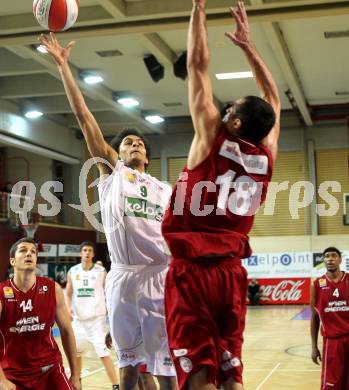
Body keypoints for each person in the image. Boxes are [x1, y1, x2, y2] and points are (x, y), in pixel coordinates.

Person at [39, 34, 177, 390]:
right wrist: (64, 67)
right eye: (127, 142)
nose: (133, 144)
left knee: (165, 370)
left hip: (161, 276)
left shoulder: (165, 190)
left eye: (139, 143)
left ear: (147, 156)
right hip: (123, 277)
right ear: (116, 154)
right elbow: (84, 118)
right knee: (129, 367)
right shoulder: (113, 174)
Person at [162, 1, 280, 389]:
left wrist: (197, 8)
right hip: (232, 273)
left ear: (235, 121)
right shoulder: (266, 155)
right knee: (231, 375)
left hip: (192, 273)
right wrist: (250, 48)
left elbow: (197, 66)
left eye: (231, 107)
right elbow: (273, 103)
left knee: (199, 375)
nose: (225, 106)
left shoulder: (211, 135)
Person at [0, 238, 80, 390]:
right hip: (13, 376)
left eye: (33, 251)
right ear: (12, 261)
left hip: (50, 370)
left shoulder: (52, 289)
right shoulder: (1, 294)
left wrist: (75, 375)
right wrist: (1, 379)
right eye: (23, 250)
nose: (29, 253)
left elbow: (67, 331)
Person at [66, 241, 119, 389]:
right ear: (80, 253)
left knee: (103, 354)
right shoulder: (73, 271)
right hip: (78, 320)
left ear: (93, 254)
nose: (87, 253)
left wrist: (111, 308)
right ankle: (78, 383)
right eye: (84, 250)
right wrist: (68, 308)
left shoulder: (101, 271)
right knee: (77, 353)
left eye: (90, 250)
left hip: (97, 320)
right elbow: (68, 293)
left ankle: (115, 385)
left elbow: (109, 292)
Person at [310, 247, 349, 390]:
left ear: (340, 259)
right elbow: (314, 317)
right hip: (332, 342)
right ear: (324, 261)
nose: (330, 259)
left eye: (334, 256)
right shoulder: (317, 284)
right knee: (331, 385)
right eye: (327, 256)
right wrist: (314, 346)